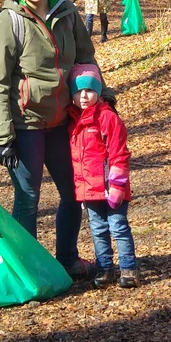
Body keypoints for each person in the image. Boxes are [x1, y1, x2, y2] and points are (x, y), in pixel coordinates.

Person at [0, 0, 99, 279]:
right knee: (28, 198)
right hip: (26, 125)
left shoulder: (68, 12)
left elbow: (86, 60)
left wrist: (103, 97)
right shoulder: (8, 22)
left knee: (73, 192)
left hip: (63, 121)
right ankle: (29, 271)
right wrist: (3, 137)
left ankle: (67, 260)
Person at [68, 64, 138, 287]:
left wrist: (117, 185)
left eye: (89, 90)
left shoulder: (108, 118)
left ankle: (128, 269)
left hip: (111, 186)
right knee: (98, 229)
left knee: (118, 226)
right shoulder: (73, 122)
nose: (83, 96)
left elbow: (119, 153)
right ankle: (105, 269)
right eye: (78, 91)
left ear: (98, 92)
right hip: (89, 189)